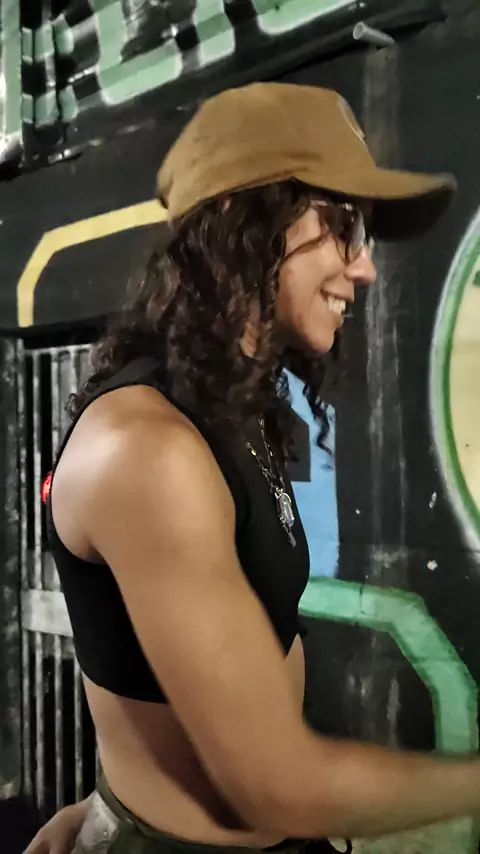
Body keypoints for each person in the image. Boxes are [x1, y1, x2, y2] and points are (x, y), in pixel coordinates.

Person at [25, 82, 479, 854]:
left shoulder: (231, 406)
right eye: (342, 228)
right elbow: (282, 787)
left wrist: (107, 804)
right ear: (246, 228)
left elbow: (156, 670)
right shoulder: (150, 448)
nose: (364, 270)